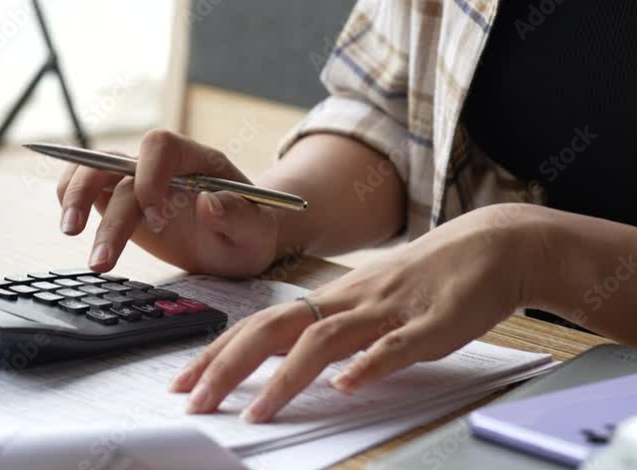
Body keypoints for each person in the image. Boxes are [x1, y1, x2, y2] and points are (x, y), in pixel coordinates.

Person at [54, 0, 637, 423]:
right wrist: (264, 218)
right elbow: (393, 112)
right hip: (503, 378)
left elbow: (517, 247)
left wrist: (533, 253)